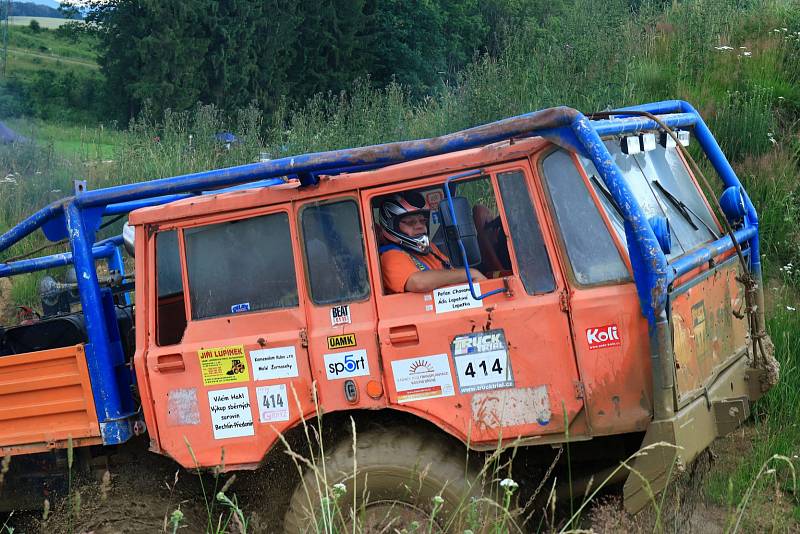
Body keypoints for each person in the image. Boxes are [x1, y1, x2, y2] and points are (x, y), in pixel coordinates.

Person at [378, 191, 486, 294]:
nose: (420, 226)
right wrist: (470, 274)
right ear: (392, 226)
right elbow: (418, 282)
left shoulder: (430, 248)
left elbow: (450, 275)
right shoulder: (390, 256)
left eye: (422, 221)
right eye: (410, 222)